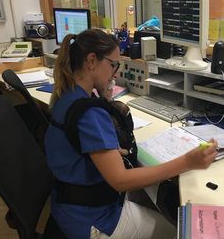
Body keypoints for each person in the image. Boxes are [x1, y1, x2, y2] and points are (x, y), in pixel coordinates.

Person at [45, 29, 217, 239]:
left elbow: (74, 144)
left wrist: (106, 152)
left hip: (66, 206)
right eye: (113, 64)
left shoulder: (67, 94)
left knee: (151, 199)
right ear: (91, 61)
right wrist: (188, 162)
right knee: (177, 230)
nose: (116, 73)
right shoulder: (90, 113)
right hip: (92, 220)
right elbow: (121, 181)